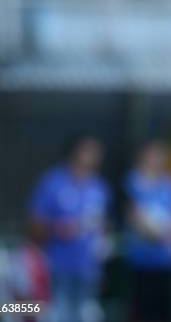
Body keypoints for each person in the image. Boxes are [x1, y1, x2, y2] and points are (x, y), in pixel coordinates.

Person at [28, 134, 110, 322]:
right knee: (59, 314)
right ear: (76, 152)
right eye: (89, 150)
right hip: (57, 266)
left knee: (86, 314)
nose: (95, 156)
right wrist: (58, 229)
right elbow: (34, 224)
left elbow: (102, 223)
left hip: (90, 268)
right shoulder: (53, 182)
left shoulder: (99, 187)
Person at [123, 140, 171, 322]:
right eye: (154, 154)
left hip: (167, 260)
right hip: (142, 260)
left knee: (166, 310)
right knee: (143, 310)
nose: (158, 159)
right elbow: (132, 215)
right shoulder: (133, 181)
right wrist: (154, 232)